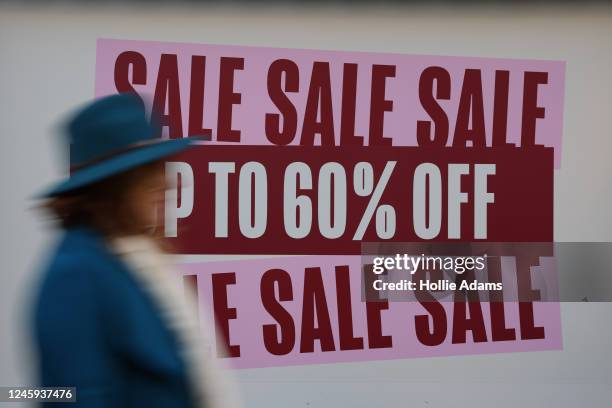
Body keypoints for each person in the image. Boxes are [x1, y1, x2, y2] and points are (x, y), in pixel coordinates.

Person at [33, 93, 240, 408]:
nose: (168, 184)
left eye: (164, 168)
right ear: (112, 186)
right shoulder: (76, 274)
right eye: (148, 173)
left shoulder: (142, 259)